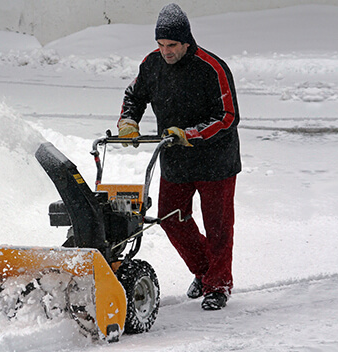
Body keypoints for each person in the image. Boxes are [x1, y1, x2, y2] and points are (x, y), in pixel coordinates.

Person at [117, 3, 241, 310]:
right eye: (160, 45)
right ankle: (204, 271)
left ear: (187, 41)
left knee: (218, 228)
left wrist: (191, 134)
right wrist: (128, 122)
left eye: (171, 45)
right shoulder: (152, 64)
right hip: (174, 159)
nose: (165, 51)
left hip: (216, 162)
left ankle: (218, 285)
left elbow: (228, 116)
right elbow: (134, 95)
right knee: (171, 218)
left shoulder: (212, 67)